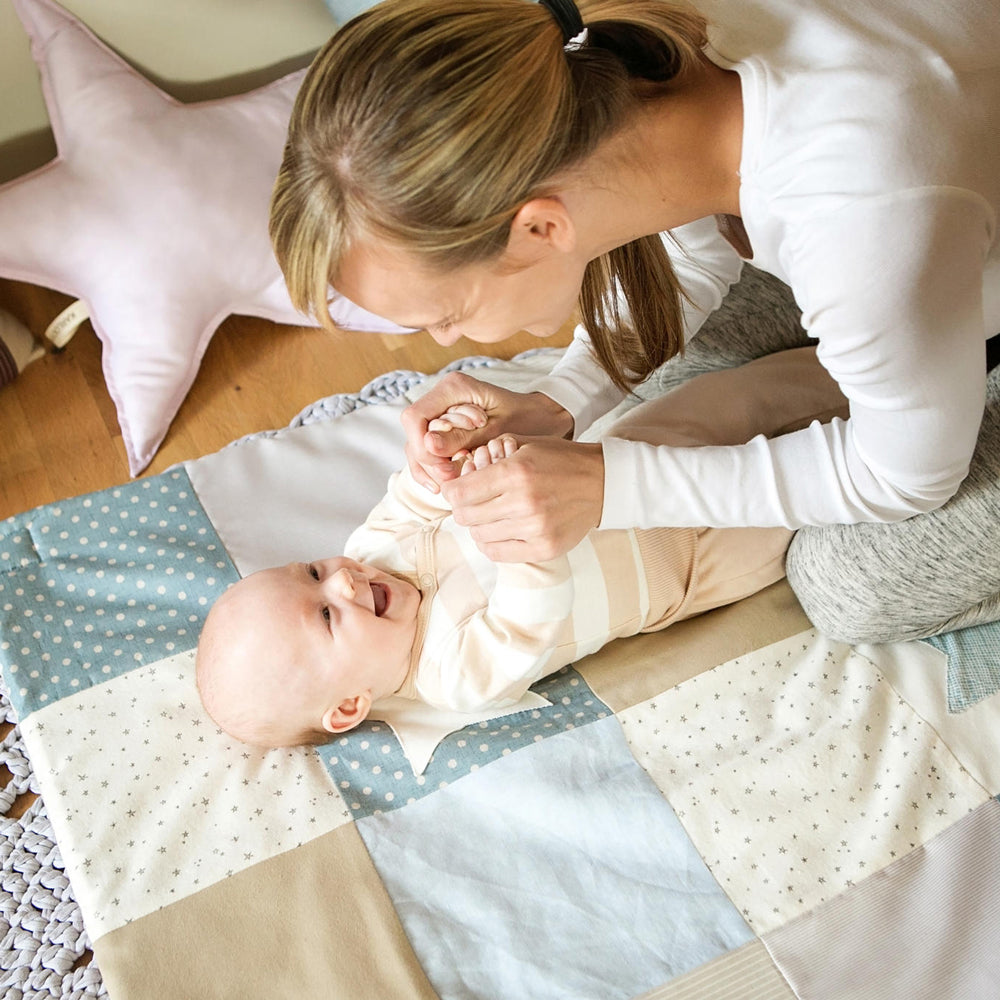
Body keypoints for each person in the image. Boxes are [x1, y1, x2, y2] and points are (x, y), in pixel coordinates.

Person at [269, 0, 1000, 644]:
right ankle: (892, 370)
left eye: (447, 315)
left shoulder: (859, 217)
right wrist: (561, 400)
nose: (447, 344)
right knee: (672, 375)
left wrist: (611, 485)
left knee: (850, 584)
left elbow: (906, 478)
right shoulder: (612, 61)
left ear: (540, 230)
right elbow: (687, 246)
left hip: (911, 239)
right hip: (917, 236)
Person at [197, 348, 847, 748]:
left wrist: (439, 462)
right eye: (326, 616)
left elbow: (414, 499)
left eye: (311, 571)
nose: (339, 580)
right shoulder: (452, 678)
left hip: (625, 455)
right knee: (803, 502)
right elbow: (527, 620)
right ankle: (878, 455)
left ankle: (847, 368)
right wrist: (524, 540)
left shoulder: (371, 553)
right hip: (685, 562)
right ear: (348, 706)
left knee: (739, 397)